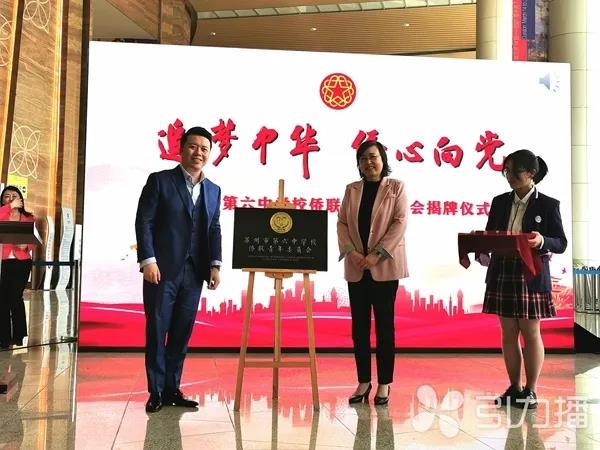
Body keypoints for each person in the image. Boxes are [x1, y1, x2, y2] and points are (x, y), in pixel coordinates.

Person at [135, 126, 222, 413]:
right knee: (157, 329)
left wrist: (215, 265)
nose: (199, 153)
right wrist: (148, 260)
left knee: (182, 332)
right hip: (162, 270)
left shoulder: (213, 190)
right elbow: (144, 221)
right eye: (193, 146)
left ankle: (173, 389)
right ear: (181, 149)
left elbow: (213, 228)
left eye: (204, 149)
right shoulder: (160, 181)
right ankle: (156, 391)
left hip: (194, 273)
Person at [481, 149, 567, 410]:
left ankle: (531, 390)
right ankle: (514, 387)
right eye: (506, 171)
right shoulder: (500, 201)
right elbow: (490, 233)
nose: (509, 176)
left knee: (530, 332)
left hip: (531, 272)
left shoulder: (548, 204)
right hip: (503, 270)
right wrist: (482, 249)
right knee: (508, 332)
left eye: (515, 171)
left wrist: (542, 241)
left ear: (531, 173)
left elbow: (560, 242)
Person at [337, 140, 408, 406]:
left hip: (384, 267)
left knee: (385, 328)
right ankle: (364, 381)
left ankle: (384, 384)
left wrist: (376, 255)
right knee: (359, 329)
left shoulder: (396, 187)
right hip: (357, 267)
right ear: (358, 164)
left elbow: (400, 222)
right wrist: (352, 253)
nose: (369, 162)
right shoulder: (351, 189)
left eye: (373, 157)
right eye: (363, 158)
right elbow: (342, 223)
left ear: (383, 159)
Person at [0, 186, 35, 349]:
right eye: (7, 196)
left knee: (15, 297)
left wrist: (26, 245)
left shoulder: (28, 218)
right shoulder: (2, 214)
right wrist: (9, 207)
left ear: (21, 199)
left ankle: (19, 335)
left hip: (22, 262)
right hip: (3, 262)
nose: (11, 198)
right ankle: (4, 338)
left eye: (14, 196)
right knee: (3, 300)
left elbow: (33, 240)